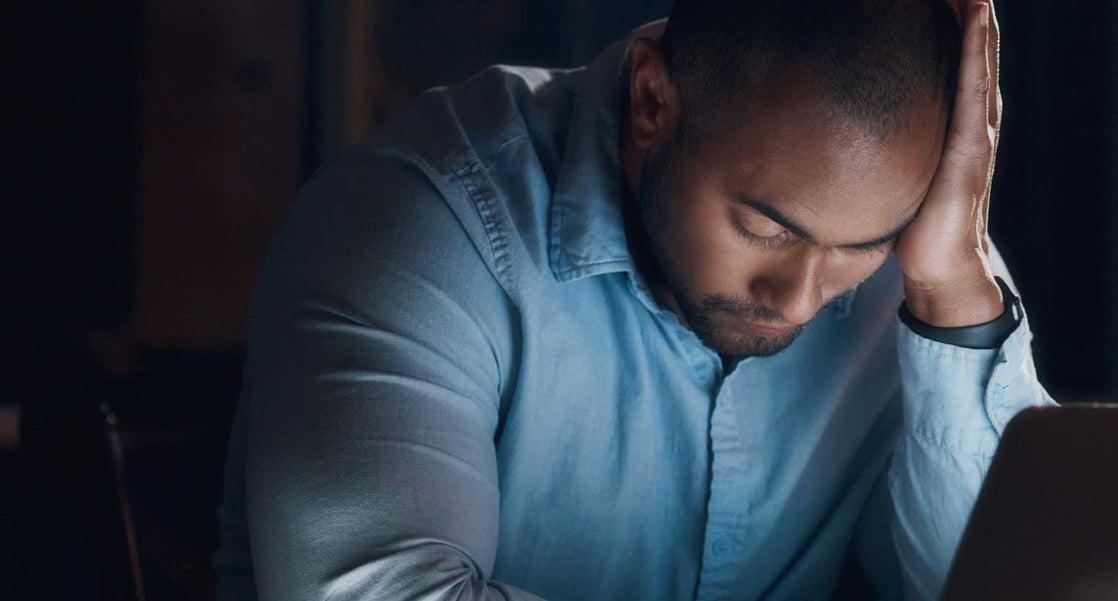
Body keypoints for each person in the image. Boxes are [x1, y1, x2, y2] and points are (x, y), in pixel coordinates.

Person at [213, 0, 1053, 599]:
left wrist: (954, 294)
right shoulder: (419, 222)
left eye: (859, 245)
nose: (800, 296)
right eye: (764, 227)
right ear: (652, 102)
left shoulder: (915, 256)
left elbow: (1007, 584)